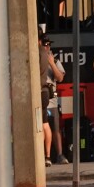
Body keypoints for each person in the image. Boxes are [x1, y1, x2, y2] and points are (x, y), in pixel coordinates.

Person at [39, 34, 65, 166]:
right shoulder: (37, 57)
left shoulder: (54, 60)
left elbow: (60, 78)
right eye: (45, 44)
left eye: (49, 45)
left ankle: (60, 154)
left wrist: (51, 63)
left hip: (52, 99)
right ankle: (44, 156)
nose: (47, 47)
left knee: (55, 128)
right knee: (41, 127)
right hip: (40, 97)